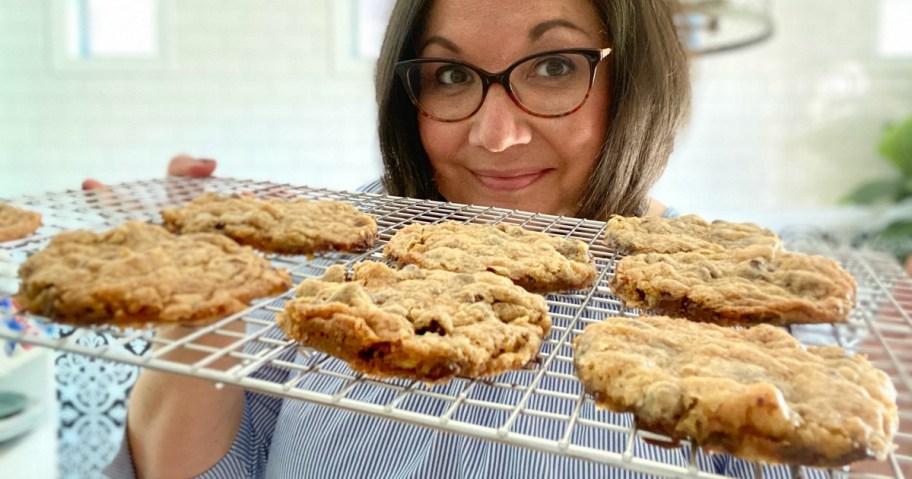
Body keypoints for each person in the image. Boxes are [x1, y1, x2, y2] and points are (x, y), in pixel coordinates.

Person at [91, 0, 808, 477]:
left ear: (637, 79)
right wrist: (194, 304)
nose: (497, 136)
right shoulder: (334, 265)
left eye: (556, 66)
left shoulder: (722, 307)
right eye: (452, 74)